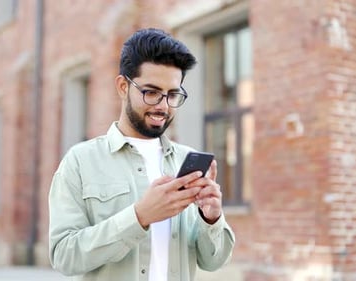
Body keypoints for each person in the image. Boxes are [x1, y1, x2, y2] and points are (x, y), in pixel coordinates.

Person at [49, 27, 235, 281]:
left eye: (172, 94)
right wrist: (139, 217)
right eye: (151, 92)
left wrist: (211, 218)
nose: (163, 106)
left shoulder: (186, 159)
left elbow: (213, 262)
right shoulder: (80, 161)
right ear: (123, 86)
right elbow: (63, 257)